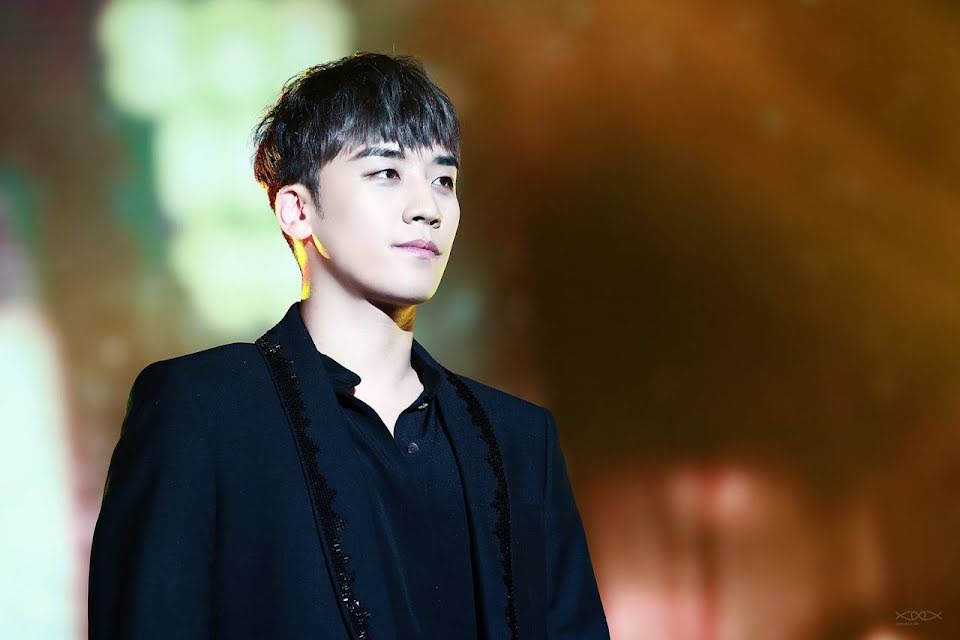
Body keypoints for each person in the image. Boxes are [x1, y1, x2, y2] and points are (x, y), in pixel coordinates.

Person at [88, 51, 609, 640]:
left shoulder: (519, 440)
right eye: (386, 172)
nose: (427, 208)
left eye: (443, 180)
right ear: (297, 209)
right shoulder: (205, 411)